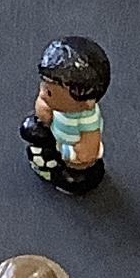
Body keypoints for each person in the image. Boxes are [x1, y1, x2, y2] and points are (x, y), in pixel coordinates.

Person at [21, 35, 111, 193]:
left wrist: (70, 153)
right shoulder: (55, 106)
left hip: (70, 153)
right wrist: (43, 113)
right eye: (43, 86)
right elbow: (42, 113)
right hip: (57, 137)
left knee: (74, 179)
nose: (42, 94)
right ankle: (47, 158)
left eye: (49, 92)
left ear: (86, 101)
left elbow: (88, 150)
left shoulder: (87, 119)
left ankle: (59, 171)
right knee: (32, 129)